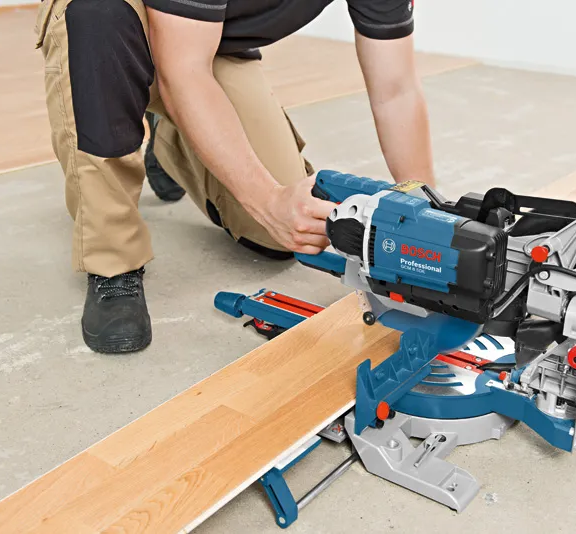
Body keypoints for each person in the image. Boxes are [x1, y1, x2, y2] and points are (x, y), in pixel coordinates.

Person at [34, 0, 437, 354]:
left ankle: (170, 136)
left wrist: (429, 212)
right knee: (97, 19)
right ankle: (113, 263)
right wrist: (266, 200)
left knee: (279, 236)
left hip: (210, 41)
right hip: (113, 23)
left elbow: (396, 89)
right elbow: (182, 71)